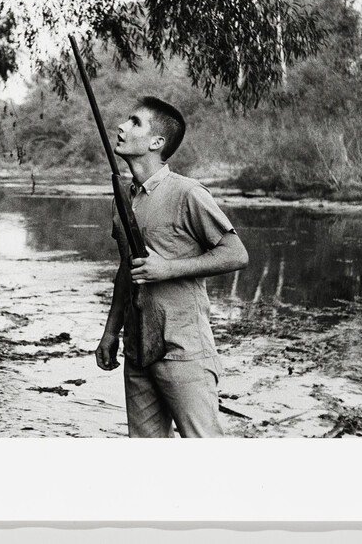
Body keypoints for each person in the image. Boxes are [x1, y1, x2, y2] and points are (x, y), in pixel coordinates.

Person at [95, 96, 249, 438]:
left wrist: (168, 268)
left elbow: (236, 254)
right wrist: (110, 333)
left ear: (156, 142)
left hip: (184, 352)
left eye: (135, 122)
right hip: (137, 350)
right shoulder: (123, 199)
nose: (121, 126)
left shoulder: (187, 193)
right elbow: (127, 269)